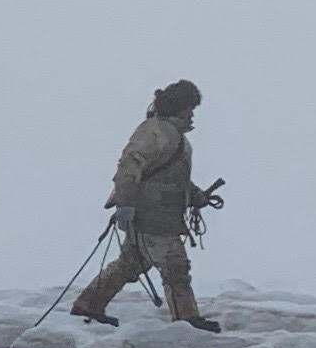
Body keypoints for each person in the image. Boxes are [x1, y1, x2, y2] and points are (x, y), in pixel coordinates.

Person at [70, 78, 221, 331]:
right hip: (152, 215)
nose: (193, 115)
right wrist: (125, 205)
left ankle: (88, 305)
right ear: (180, 107)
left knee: (130, 263)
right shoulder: (155, 132)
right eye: (191, 109)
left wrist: (196, 196)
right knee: (175, 265)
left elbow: (169, 177)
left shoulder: (173, 136)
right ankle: (186, 320)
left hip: (159, 214)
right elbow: (129, 165)